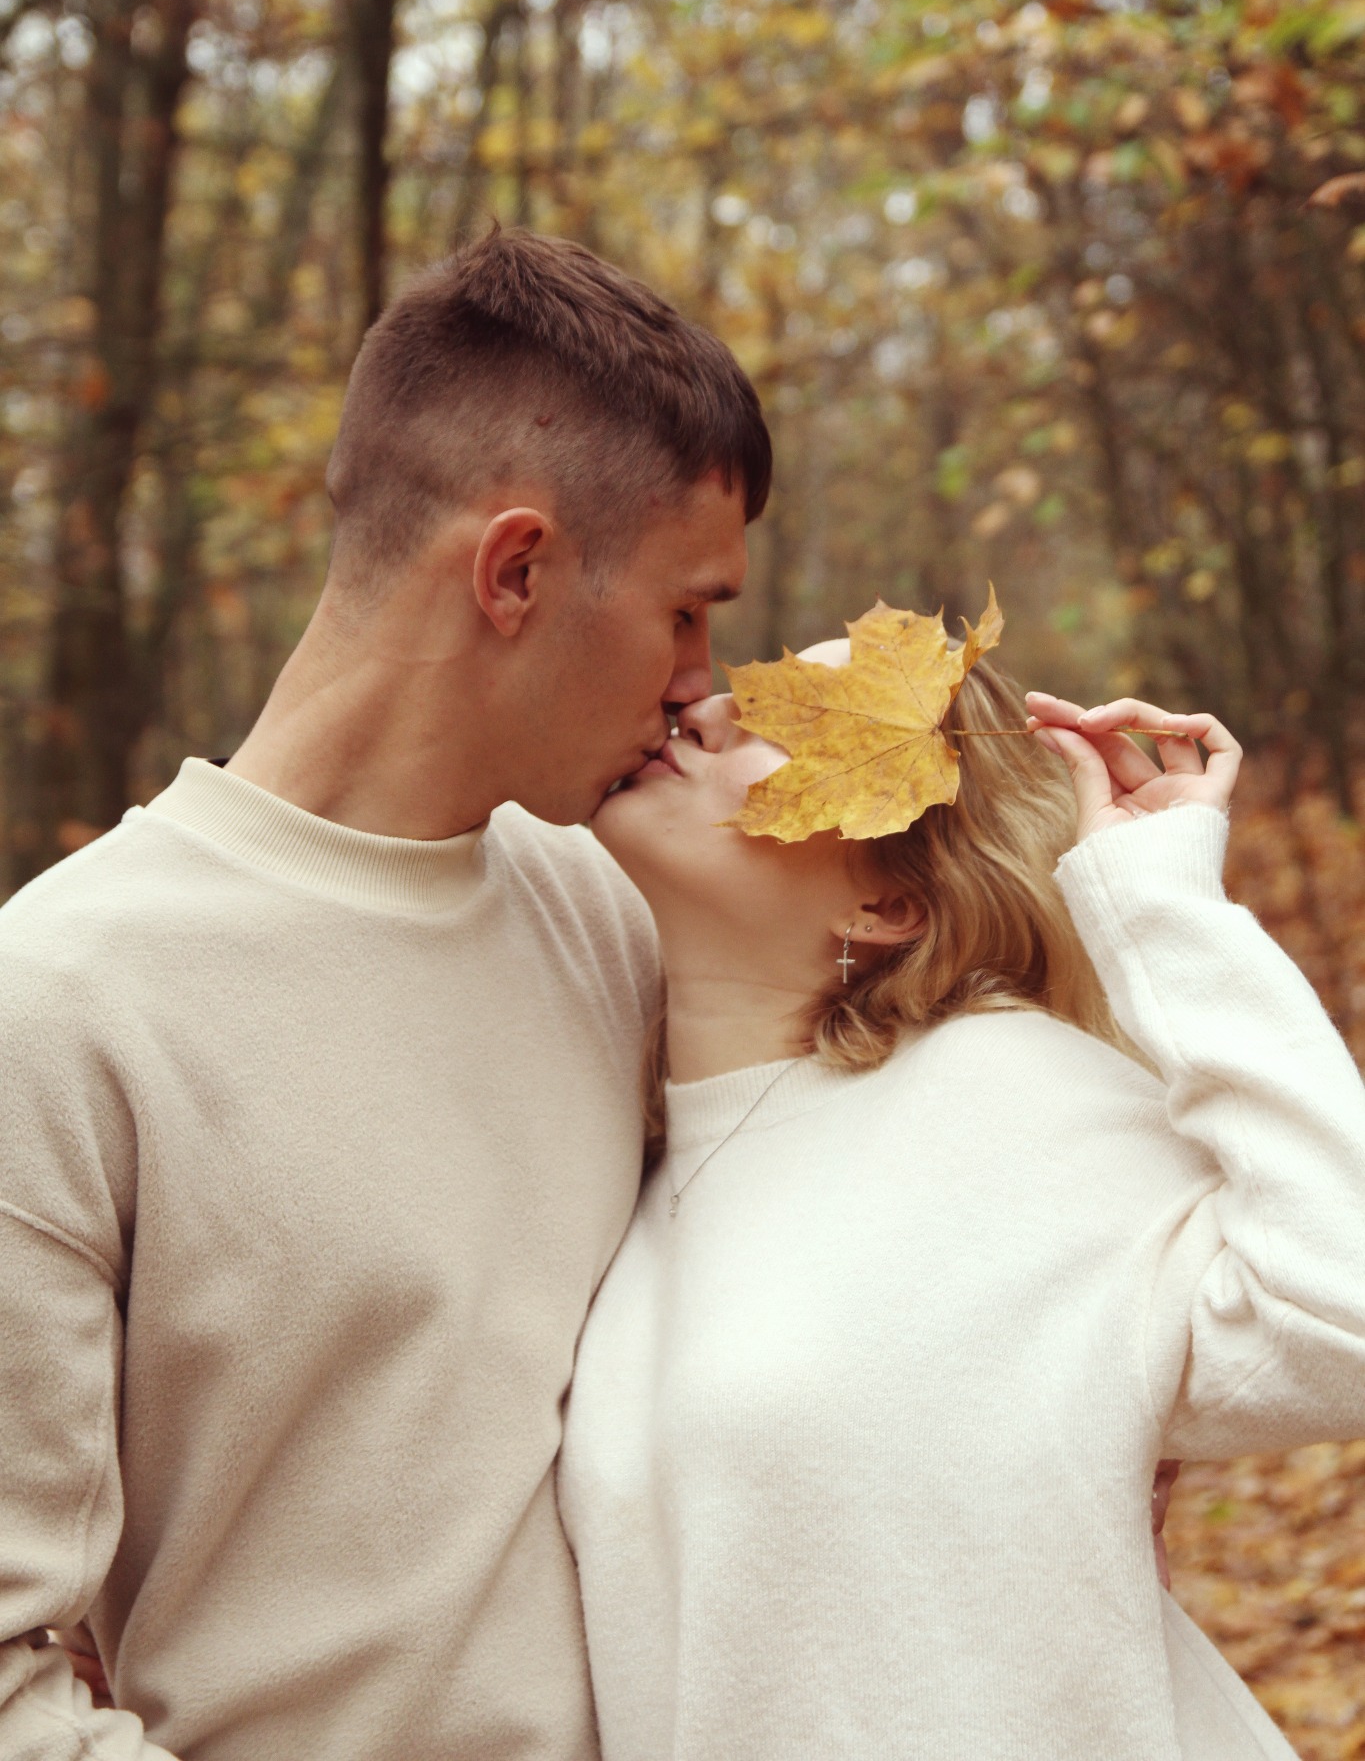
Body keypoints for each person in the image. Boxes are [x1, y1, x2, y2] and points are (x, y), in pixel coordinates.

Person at [0, 228, 769, 1761]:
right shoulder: (61, 1006)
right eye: (687, 611)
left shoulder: (626, 923)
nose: (699, 682)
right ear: (517, 571)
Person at [559, 632, 1365, 1760]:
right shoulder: (629, 1173)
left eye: (803, 727)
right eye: (758, 684)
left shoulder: (1003, 1090)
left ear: (887, 903)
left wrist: (1163, 904)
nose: (715, 712)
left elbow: (1347, 1309)